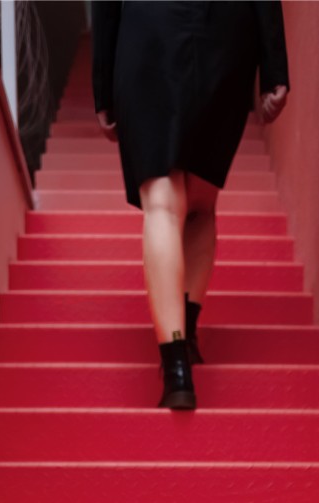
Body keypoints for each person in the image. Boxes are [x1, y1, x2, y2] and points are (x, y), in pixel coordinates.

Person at [91, 1, 290, 409]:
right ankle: (188, 330)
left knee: (163, 204)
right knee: (199, 204)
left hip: (150, 30)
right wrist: (274, 68)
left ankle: (176, 368)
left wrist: (103, 83)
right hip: (226, 33)